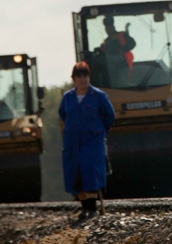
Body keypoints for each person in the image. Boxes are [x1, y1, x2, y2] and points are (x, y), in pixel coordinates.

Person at [59, 61, 115, 225]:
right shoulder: (68, 98)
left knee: (90, 170)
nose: (83, 80)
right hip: (73, 141)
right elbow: (63, 115)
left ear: (89, 77)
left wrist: (98, 131)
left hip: (93, 141)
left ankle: (92, 209)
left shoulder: (98, 96)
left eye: (85, 76)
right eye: (79, 76)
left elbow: (109, 116)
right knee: (76, 173)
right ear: (74, 79)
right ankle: (85, 208)